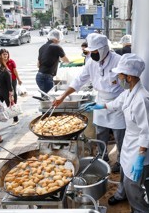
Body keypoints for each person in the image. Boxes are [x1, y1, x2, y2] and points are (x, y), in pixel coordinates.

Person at [83, 53, 149, 213]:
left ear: (129, 77)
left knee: (133, 183)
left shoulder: (142, 99)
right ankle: (122, 194)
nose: (118, 77)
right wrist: (99, 105)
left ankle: (142, 211)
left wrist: (140, 158)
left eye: (120, 74)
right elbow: (117, 103)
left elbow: (147, 132)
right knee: (124, 171)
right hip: (130, 143)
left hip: (140, 148)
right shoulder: (129, 92)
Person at [53, 33, 125, 173]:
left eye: (95, 51)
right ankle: (103, 156)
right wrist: (63, 96)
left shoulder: (119, 61)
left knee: (119, 134)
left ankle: (121, 161)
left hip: (118, 101)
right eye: (91, 51)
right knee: (101, 132)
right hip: (101, 101)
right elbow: (79, 80)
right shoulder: (91, 62)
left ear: (104, 48)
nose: (93, 54)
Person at [0, 48, 21, 125]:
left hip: (12, 81)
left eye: (6, 54)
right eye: (3, 54)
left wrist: (19, 79)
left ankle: (16, 119)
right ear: (0, 55)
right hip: (3, 84)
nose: (5, 55)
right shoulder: (0, 63)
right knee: (2, 101)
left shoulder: (11, 62)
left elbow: (15, 71)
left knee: (12, 99)